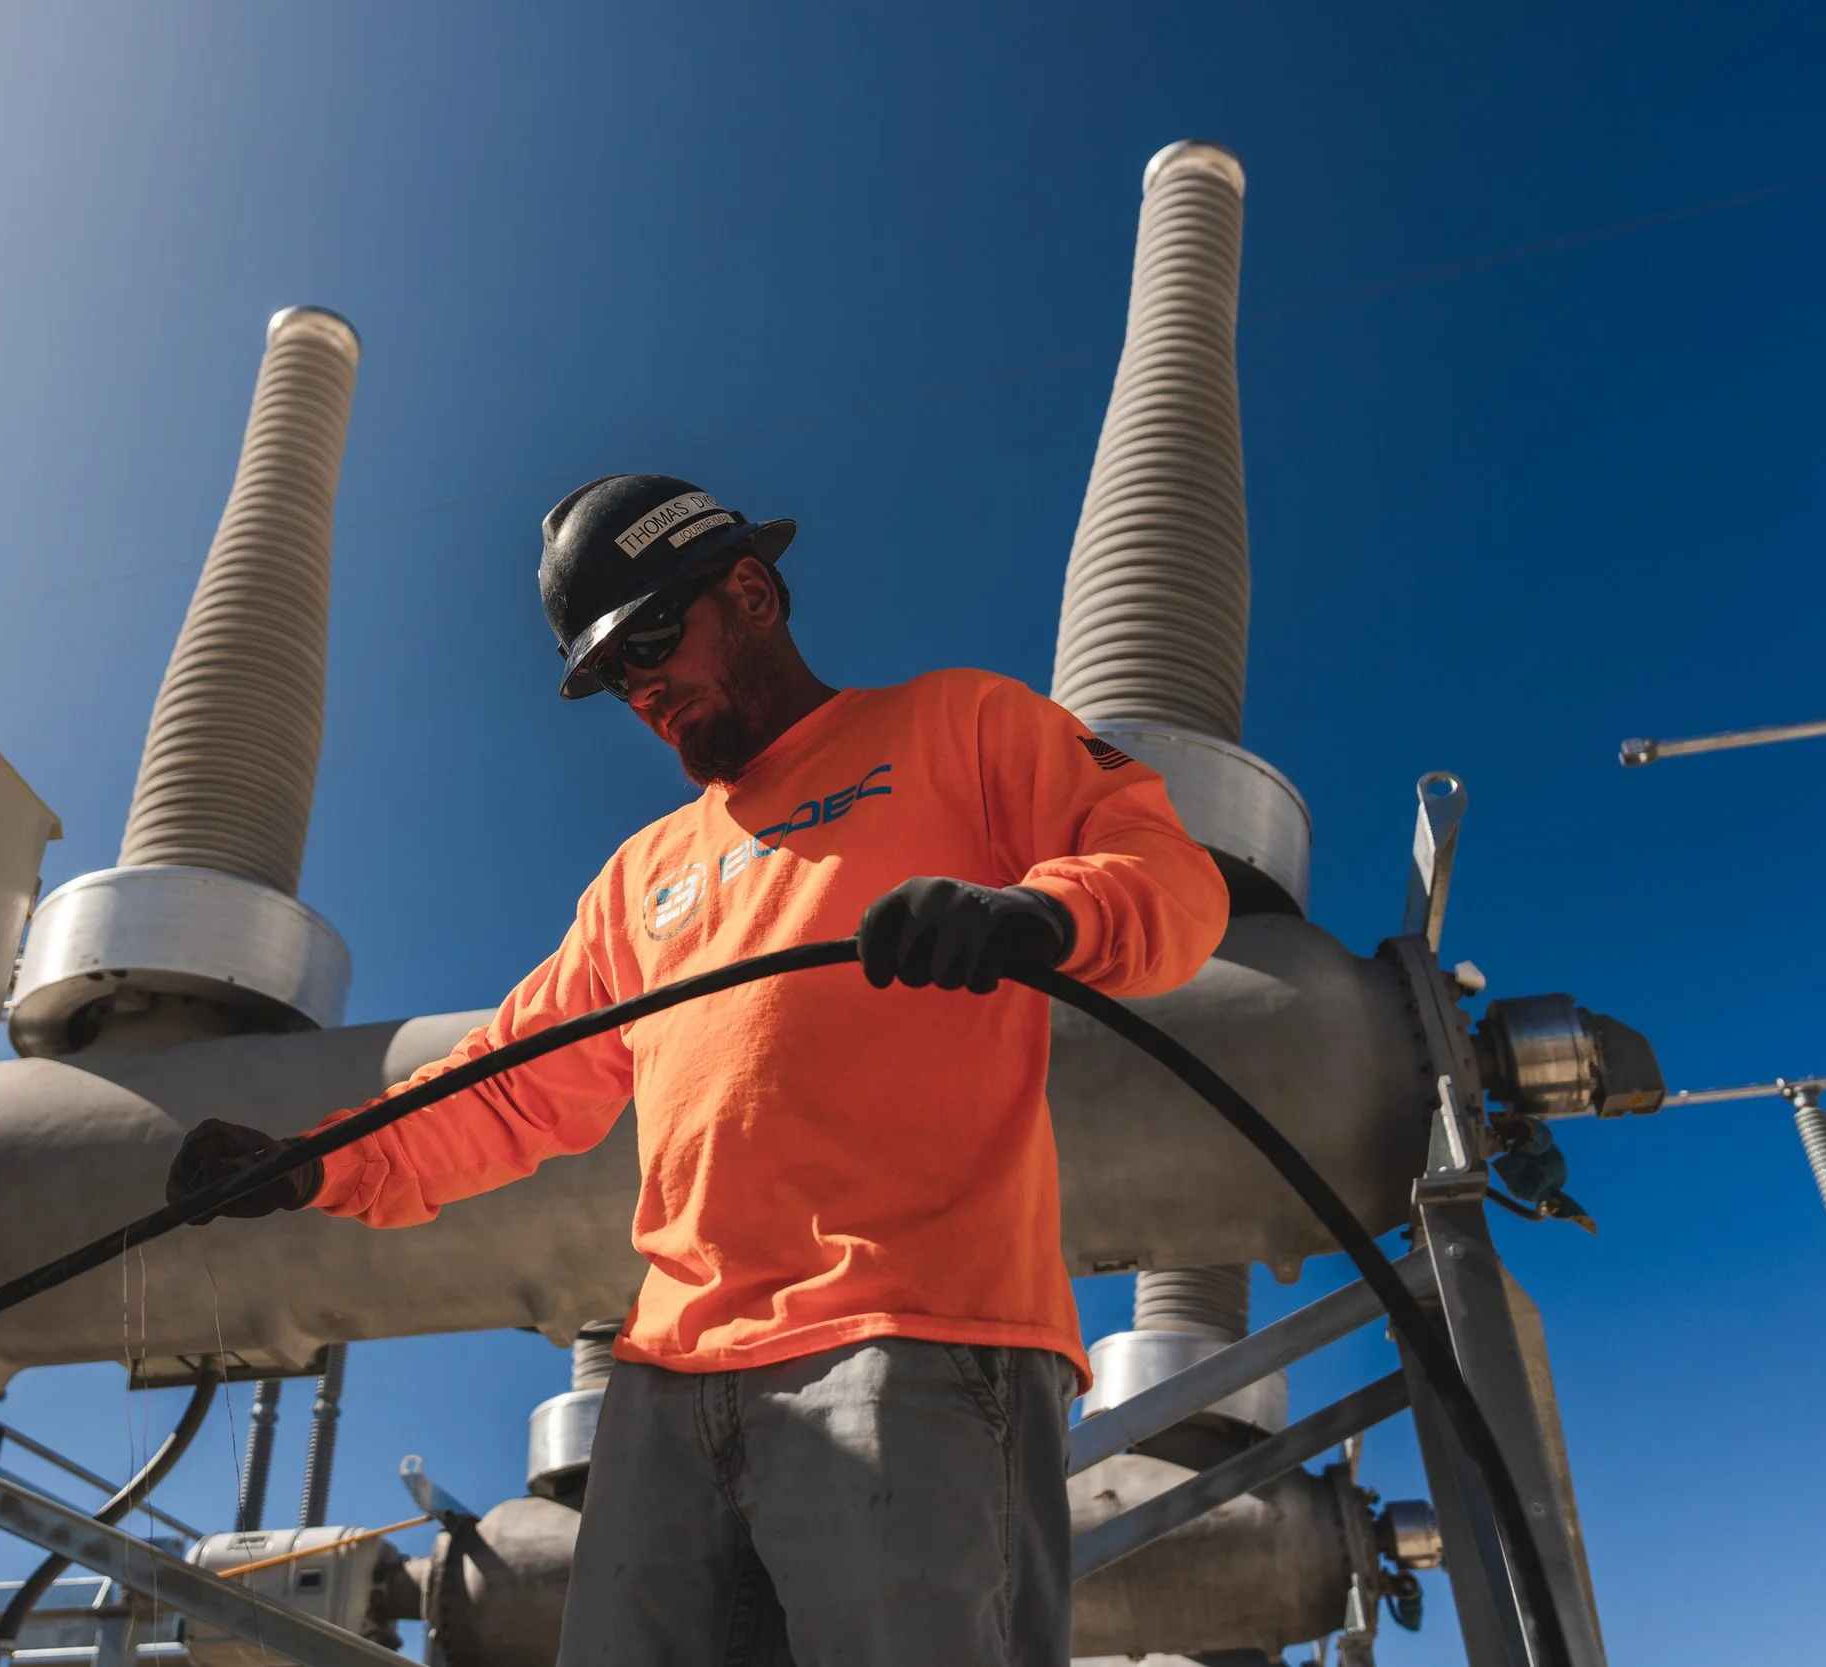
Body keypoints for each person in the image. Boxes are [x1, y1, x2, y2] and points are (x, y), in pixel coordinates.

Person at [168, 474, 1230, 1665]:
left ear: (753, 591)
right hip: (668, 1382)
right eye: (613, 675)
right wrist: (318, 1161)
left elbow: (1172, 878)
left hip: (911, 1335)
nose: (642, 688)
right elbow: (514, 1075)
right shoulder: (642, 874)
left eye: (653, 641)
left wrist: (1038, 914)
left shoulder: (961, 724)